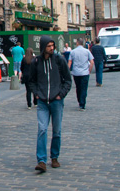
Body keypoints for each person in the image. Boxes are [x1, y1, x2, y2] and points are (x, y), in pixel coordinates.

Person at [28, 35, 71, 173]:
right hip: (42, 102)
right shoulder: (36, 62)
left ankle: (54, 157)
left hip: (56, 101)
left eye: (53, 46)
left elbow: (68, 80)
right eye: (49, 46)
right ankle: (41, 160)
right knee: (42, 130)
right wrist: (36, 93)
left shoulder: (59, 60)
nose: (52, 48)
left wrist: (61, 94)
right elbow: (31, 80)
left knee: (57, 131)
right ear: (43, 47)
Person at [69, 38, 94, 110]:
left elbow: (70, 62)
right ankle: (82, 103)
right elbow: (92, 62)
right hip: (85, 72)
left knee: (78, 87)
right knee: (84, 88)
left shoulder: (73, 52)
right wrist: (89, 70)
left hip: (76, 72)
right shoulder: (87, 51)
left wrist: (67, 71)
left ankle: (80, 100)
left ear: (77, 43)